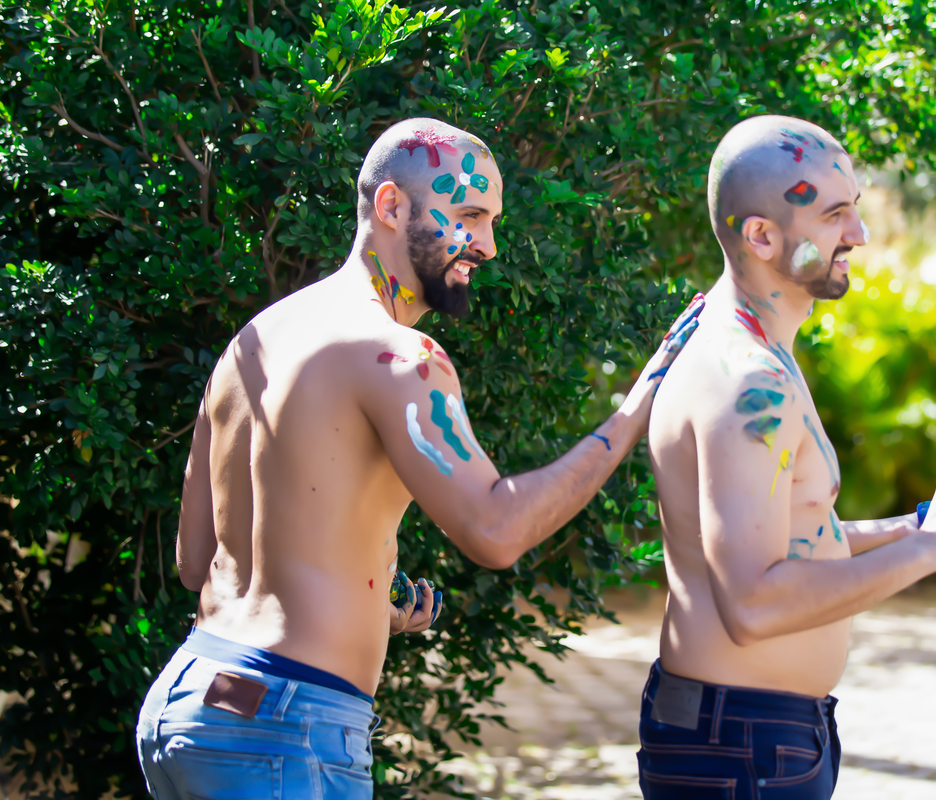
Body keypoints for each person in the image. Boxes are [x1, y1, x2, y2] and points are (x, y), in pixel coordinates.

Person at [135, 117, 704, 799]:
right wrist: (636, 407)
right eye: (469, 215)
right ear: (391, 206)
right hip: (285, 730)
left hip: (191, 703)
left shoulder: (254, 342)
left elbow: (197, 563)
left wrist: (352, 605)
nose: (487, 246)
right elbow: (496, 531)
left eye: (492, 221)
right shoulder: (400, 357)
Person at [639, 115, 936, 799]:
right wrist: (926, 555)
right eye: (834, 215)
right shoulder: (747, 383)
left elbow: (786, 544)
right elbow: (755, 603)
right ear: (761, 236)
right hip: (742, 747)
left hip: (747, 736)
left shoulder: (753, 354)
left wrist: (918, 529)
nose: (858, 234)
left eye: (854, 209)